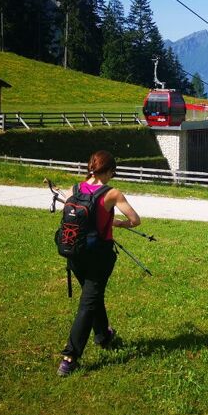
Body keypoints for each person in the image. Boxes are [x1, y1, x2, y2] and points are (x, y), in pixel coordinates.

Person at [58, 150, 140, 377]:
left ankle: (103, 335)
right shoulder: (112, 193)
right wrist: (118, 224)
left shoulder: (74, 189)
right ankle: (69, 357)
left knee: (92, 296)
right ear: (110, 170)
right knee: (88, 302)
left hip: (74, 253)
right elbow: (135, 220)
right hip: (98, 256)